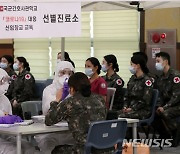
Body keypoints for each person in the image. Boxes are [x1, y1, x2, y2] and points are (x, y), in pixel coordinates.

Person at [45, 72, 114, 154]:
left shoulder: (70, 102)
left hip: (85, 150)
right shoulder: (99, 99)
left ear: (72, 88)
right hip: (106, 148)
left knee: (57, 150)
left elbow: (49, 120)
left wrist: (56, 100)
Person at [0, 68, 36, 154]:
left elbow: (8, 120)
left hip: (4, 135)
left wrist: (14, 120)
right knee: (12, 151)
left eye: (5, 81)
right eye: (1, 81)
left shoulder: (4, 99)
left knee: (28, 147)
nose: (4, 84)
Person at [153, 52, 180, 139]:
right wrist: (158, 106)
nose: (156, 64)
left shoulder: (175, 76)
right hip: (166, 105)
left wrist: (164, 107)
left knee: (165, 113)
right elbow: (160, 95)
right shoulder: (161, 78)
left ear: (166, 62)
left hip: (177, 105)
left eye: (158, 61)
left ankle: (176, 132)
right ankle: (165, 134)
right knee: (152, 113)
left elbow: (176, 96)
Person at [118, 55, 153, 120]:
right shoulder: (132, 79)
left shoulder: (147, 80)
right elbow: (126, 95)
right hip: (130, 109)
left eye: (131, 64)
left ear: (138, 66)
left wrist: (132, 108)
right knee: (113, 115)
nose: (130, 66)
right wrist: (125, 106)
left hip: (142, 110)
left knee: (121, 116)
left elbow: (146, 100)